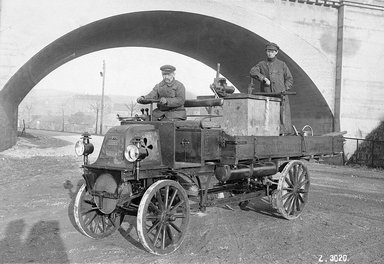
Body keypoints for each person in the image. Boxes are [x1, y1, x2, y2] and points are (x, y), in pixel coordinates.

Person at [250, 42, 294, 135]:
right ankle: (268, 133)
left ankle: (284, 133)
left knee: (283, 115)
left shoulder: (282, 64)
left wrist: (284, 89)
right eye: (268, 51)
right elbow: (253, 71)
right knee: (267, 114)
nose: (269, 53)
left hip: (281, 95)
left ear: (276, 52)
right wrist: (264, 78)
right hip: (267, 95)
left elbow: (289, 79)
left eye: (272, 51)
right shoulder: (261, 64)